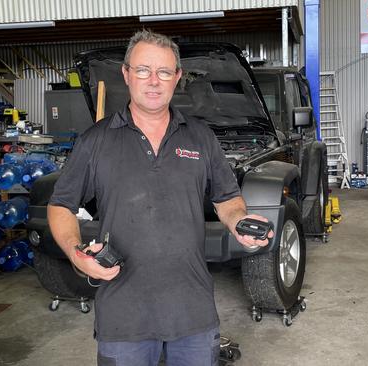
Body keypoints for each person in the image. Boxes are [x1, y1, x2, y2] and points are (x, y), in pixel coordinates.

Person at [47, 29, 273, 366]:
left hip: (192, 311)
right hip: (123, 317)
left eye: (164, 72)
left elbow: (227, 199)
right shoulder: (95, 141)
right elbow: (61, 205)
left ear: (177, 77)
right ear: (126, 74)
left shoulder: (201, 137)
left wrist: (239, 220)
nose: (153, 81)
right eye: (143, 70)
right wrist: (75, 253)